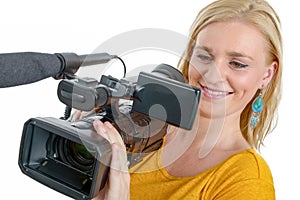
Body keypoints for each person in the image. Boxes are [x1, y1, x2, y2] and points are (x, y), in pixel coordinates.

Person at [91, 0, 282, 199]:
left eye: (237, 64)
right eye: (204, 57)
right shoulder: (143, 132)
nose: (212, 75)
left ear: (267, 75)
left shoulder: (247, 180)